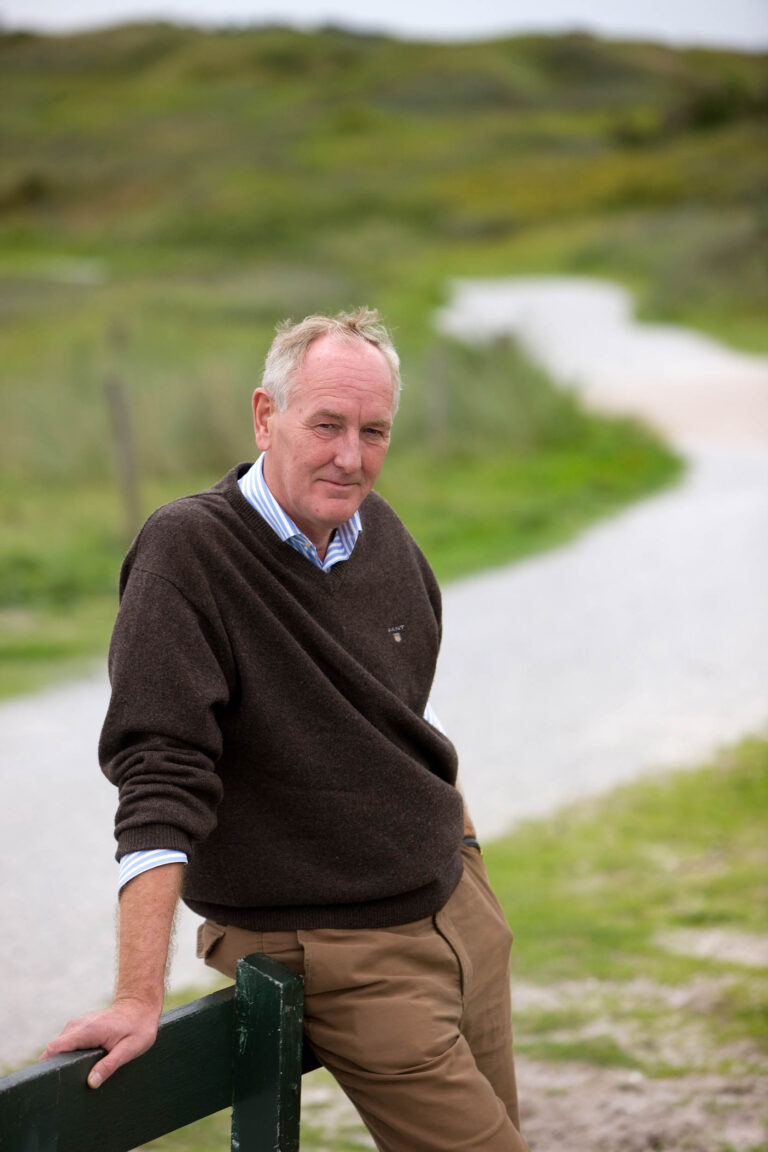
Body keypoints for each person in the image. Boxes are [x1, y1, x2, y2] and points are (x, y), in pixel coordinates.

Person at [42, 308, 530, 1152]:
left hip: (459, 907)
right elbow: (160, 774)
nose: (351, 456)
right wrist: (136, 995)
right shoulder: (188, 552)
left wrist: (464, 844)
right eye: (327, 425)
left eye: (374, 431)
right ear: (266, 416)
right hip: (345, 952)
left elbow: (408, 705)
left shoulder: (378, 532)